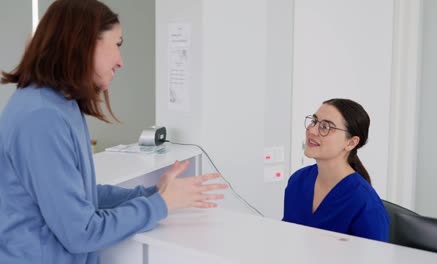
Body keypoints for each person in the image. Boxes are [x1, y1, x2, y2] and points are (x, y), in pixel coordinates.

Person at [0, 1, 227, 263]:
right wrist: (161, 205)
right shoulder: (41, 118)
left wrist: (152, 194)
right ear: (83, 42)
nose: (120, 62)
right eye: (117, 44)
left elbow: (79, 196)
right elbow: (81, 232)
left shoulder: (60, 105)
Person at [282, 98, 389, 241]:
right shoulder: (298, 181)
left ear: (351, 143)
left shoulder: (366, 204)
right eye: (314, 121)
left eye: (326, 127)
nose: (312, 130)